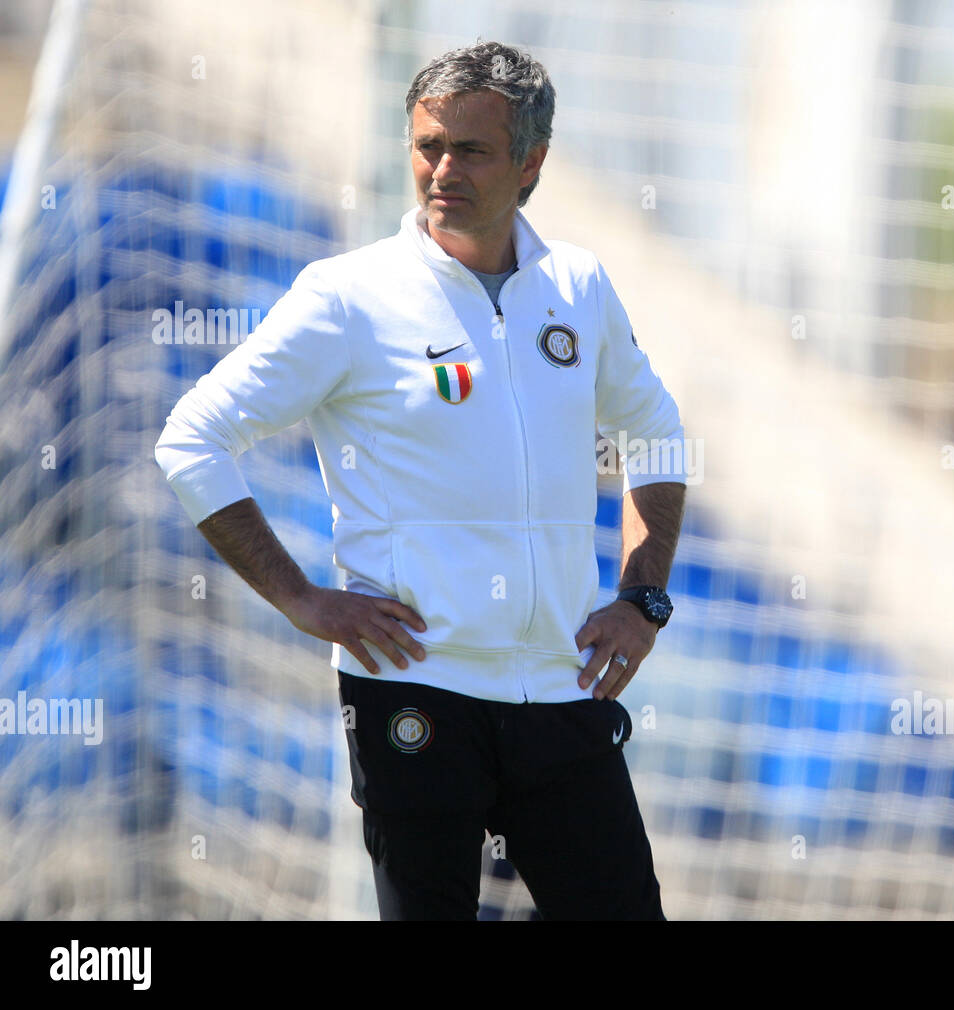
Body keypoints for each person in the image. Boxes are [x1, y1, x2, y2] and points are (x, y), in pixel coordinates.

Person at [154, 40, 687, 920]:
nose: (441, 169)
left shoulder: (579, 287)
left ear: (532, 162)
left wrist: (644, 599)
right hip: (416, 691)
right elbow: (191, 440)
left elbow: (660, 436)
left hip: (564, 687)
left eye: (469, 149)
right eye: (426, 144)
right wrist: (303, 601)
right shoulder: (347, 296)